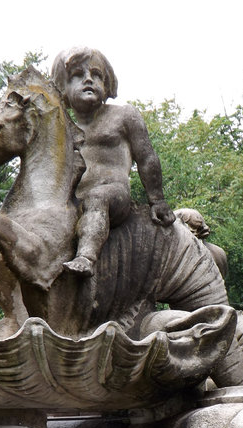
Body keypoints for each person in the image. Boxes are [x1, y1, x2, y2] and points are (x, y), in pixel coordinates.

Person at [51, 47, 175, 276]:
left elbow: (146, 157)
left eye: (96, 75)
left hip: (113, 195)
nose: (88, 79)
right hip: (72, 199)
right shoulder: (59, 125)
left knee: (97, 197)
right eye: (78, 75)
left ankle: (85, 258)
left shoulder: (124, 115)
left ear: (107, 83)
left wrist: (157, 200)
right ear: (62, 86)